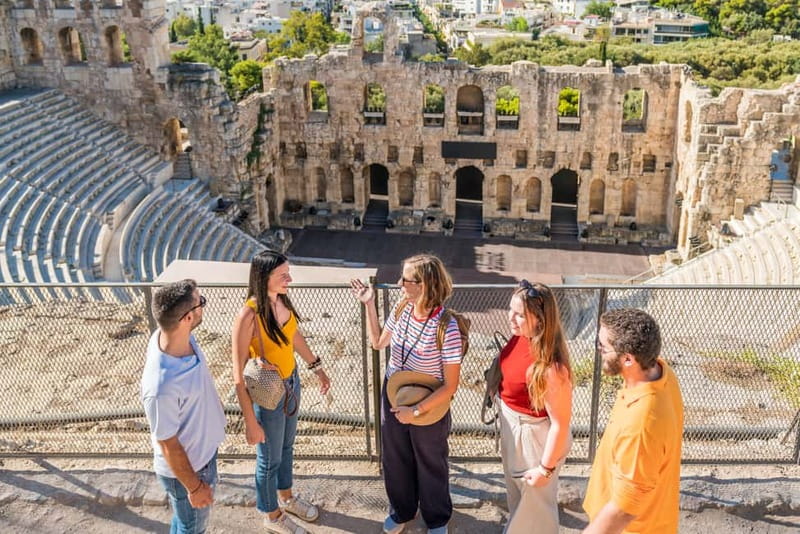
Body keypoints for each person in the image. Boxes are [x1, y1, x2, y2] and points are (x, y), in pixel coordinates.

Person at [350, 254, 463, 534]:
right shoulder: (401, 309)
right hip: (394, 395)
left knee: (430, 462)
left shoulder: (446, 327)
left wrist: (414, 412)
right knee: (395, 458)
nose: (399, 283)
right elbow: (378, 343)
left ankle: (437, 519)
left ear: (423, 285)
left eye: (406, 279)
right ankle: (402, 511)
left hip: (429, 404)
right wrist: (369, 305)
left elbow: (450, 386)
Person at [232, 250, 331, 534]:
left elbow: (293, 336)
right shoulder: (248, 315)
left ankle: (286, 498)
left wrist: (316, 366)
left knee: (287, 448)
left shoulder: (281, 300)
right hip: (268, 393)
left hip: (291, 383)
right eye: (283, 275)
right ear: (264, 278)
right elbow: (237, 373)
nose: (290, 278)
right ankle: (271, 514)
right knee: (268, 459)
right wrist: (250, 421)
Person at [583, 308, 684, 534]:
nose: (598, 350)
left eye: (603, 346)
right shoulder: (661, 373)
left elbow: (623, 509)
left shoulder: (642, 422)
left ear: (628, 359)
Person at [141, 279, 226, 534]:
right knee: (192, 528)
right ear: (188, 318)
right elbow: (167, 443)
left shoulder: (171, 337)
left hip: (202, 457)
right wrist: (195, 487)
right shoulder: (161, 385)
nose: (203, 306)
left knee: (184, 523)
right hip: (191, 471)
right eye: (201, 302)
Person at [497, 280, 573, 534]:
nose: (511, 318)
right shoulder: (523, 337)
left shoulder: (551, 368)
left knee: (536, 508)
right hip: (514, 428)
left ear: (540, 320)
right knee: (519, 499)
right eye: (511, 310)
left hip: (533, 437)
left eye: (520, 314)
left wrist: (545, 468)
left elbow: (560, 424)